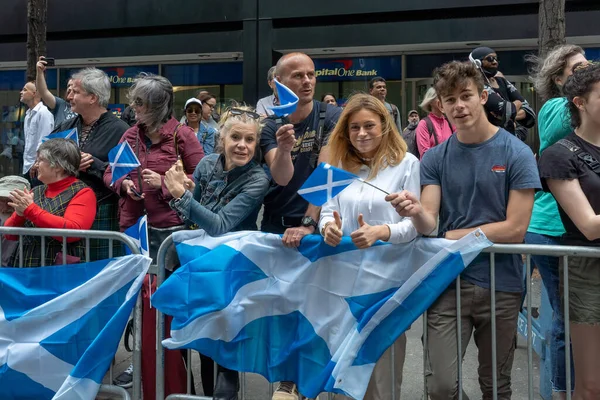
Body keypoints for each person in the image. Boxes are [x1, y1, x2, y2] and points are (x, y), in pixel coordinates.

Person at [387, 61, 540, 400]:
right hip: (447, 282)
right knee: (440, 386)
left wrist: (451, 236)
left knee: (496, 386)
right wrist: (414, 213)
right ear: (439, 104)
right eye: (449, 98)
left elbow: (515, 229)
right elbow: (429, 220)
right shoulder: (435, 158)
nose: (459, 105)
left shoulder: (517, 153)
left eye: (466, 96)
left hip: (503, 283)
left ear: (483, 96)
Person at [103, 73, 204, 399]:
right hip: (133, 233)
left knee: (165, 320)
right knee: (145, 321)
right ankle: (151, 387)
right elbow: (110, 171)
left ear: (158, 106)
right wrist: (123, 185)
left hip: (169, 237)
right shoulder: (130, 135)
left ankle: (172, 389)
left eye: (140, 103)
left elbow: (202, 179)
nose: (133, 107)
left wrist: (164, 183)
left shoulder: (182, 136)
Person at [165, 105, 270, 400]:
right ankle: (193, 394)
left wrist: (181, 195)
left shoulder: (258, 179)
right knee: (191, 340)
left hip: (229, 274)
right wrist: (184, 193)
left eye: (250, 140)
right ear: (221, 138)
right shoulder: (207, 164)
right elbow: (190, 218)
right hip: (197, 266)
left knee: (221, 350)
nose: (242, 145)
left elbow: (220, 225)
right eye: (235, 137)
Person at [319, 93, 419, 400]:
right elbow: (323, 211)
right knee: (342, 377)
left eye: (369, 126)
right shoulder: (332, 164)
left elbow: (417, 224)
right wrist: (328, 228)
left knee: (383, 381)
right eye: (354, 127)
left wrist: (382, 231)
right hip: (342, 287)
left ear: (385, 126)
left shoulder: (408, 163)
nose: (361, 133)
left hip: (387, 287)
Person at [260, 52, 342, 400]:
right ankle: (287, 381)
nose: (307, 81)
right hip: (278, 226)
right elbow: (281, 177)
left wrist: (310, 223)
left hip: (316, 225)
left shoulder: (332, 115)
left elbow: (328, 172)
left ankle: (312, 382)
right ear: (278, 83)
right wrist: (282, 149)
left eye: (311, 75)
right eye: (297, 76)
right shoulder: (267, 125)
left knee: (318, 307)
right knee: (284, 307)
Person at [524, 44, 587, 397]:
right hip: (552, 228)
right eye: (576, 69)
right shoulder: (556, 107)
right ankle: (559, 392)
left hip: (575, 230)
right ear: (558, 79)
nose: (586, 71)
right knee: (565, 321)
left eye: (588, 65)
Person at [538, 62, 600, 400]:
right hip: (587, 271)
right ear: (580, 102)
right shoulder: (559, 156)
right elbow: (589, 225)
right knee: (591, 384)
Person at [52, 67, 129, 261]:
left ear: (93, 98)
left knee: (100, 273)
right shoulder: (66, 126)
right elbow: (48, 157)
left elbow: (126, 176)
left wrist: (94, 164)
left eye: (76, 92)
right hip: (66, 209)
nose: (69, 96)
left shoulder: (121, 130)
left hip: (102, 210)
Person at [4, 139, 96, 267]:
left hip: (58, 268)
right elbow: (9, 234)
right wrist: (19, 214)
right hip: (25, 264)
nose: (36, 165)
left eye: (40, 160)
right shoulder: (36, 190)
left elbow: (73, 232)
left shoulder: (82, 192)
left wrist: (30, 210)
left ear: (57, 166)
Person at [469, 47, 536, 139]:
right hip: (488, 140)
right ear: (477, 63)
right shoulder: (477, 85)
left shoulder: (502, 81)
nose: (495, 62)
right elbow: (504, 110)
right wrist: (517, 104)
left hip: (511, 139)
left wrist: (506, 116)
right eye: (490, 58)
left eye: (496, 59)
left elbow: (529, 112)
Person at [20, 81, 54, 179]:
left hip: (37, 168)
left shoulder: (43, 113)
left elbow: (45, 142)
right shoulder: (28, 115)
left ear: (34, 93)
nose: (21, 92)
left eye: (25, 90)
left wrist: (37, 163)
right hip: (27, 166)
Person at [36, 56, 77, 126]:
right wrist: (40, 72)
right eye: (68, 86)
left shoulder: (85, 109)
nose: (70, 88)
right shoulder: (61, 104)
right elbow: (43, 92)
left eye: (73, 85)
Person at [0, 176, 30, 266]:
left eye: (11, 200)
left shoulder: (32, 218)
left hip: (18, 271)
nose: (6, 206)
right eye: (2, 200)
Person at [416, 87, 453, 159]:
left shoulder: (450, 122)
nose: (443, 100)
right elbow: (425, 154)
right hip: (433, 168)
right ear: (430, 102)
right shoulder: (424, 124)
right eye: (439, 97)